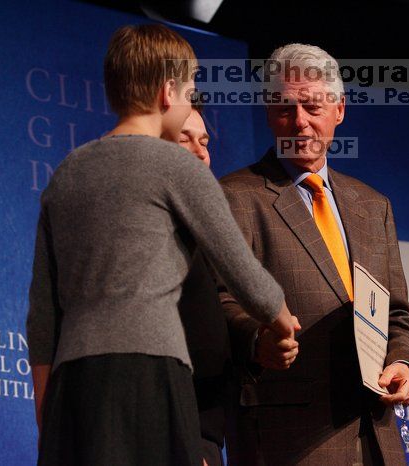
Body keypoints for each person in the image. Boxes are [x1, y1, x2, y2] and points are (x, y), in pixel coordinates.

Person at [26, 24, 297, 466]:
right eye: (191, 91)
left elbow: (42, 315)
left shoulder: (66, 174)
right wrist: (283, 322)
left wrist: (47, 415)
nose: (190, 101)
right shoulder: (177, 165)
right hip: (150, 376)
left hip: (74, 384)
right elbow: (242, 270)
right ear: (168, 92)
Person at [219, 43, 409, 465]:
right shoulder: (234, 197)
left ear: (339, 109)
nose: (299, 123)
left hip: (377, 437)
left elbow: (398, 315)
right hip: (285, 439)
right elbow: (219, 299)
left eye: (312, 106)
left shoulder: (373, 205)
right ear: (267, 114)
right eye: (284, 110)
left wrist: (404, 362)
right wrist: (257, 341)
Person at [174, 103, 231, 466]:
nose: (200, 152)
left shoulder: (210, 233)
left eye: (205, 141)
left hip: (205, 438)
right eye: (185, 140)